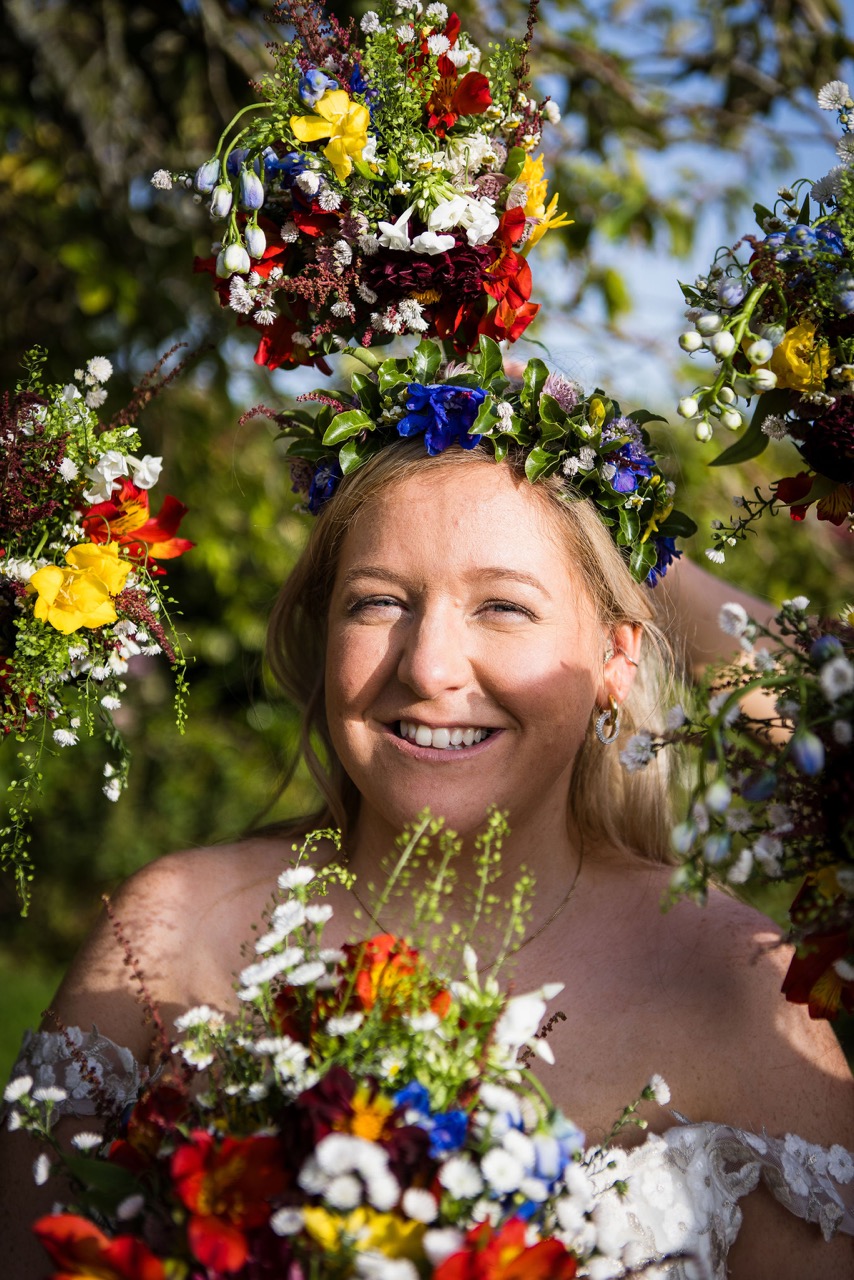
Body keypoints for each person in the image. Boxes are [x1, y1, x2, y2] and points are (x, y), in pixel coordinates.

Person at [1, 417, 853, 1278]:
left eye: (504, 606)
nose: (429, 666)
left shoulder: (743, 986)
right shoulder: (174, 933)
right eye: (378, 601)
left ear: (615, 660)